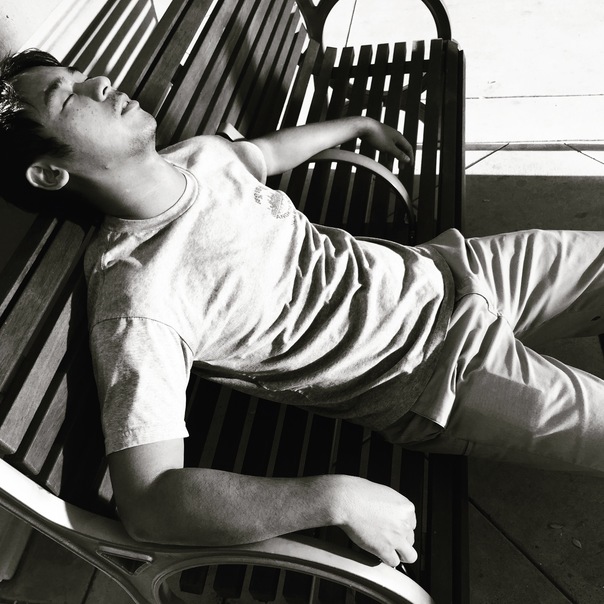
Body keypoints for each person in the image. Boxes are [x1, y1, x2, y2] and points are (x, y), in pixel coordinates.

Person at [2, 48, 604, 570]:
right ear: (50, 173)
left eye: (81, 74)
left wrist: (358, 124)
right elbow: (150, 501)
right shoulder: (139, 298)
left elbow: (266, 154)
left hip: (451, 271)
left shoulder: (199, 157)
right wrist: (331, 498)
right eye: (67, 96)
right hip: (439, 375)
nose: (100, 83)